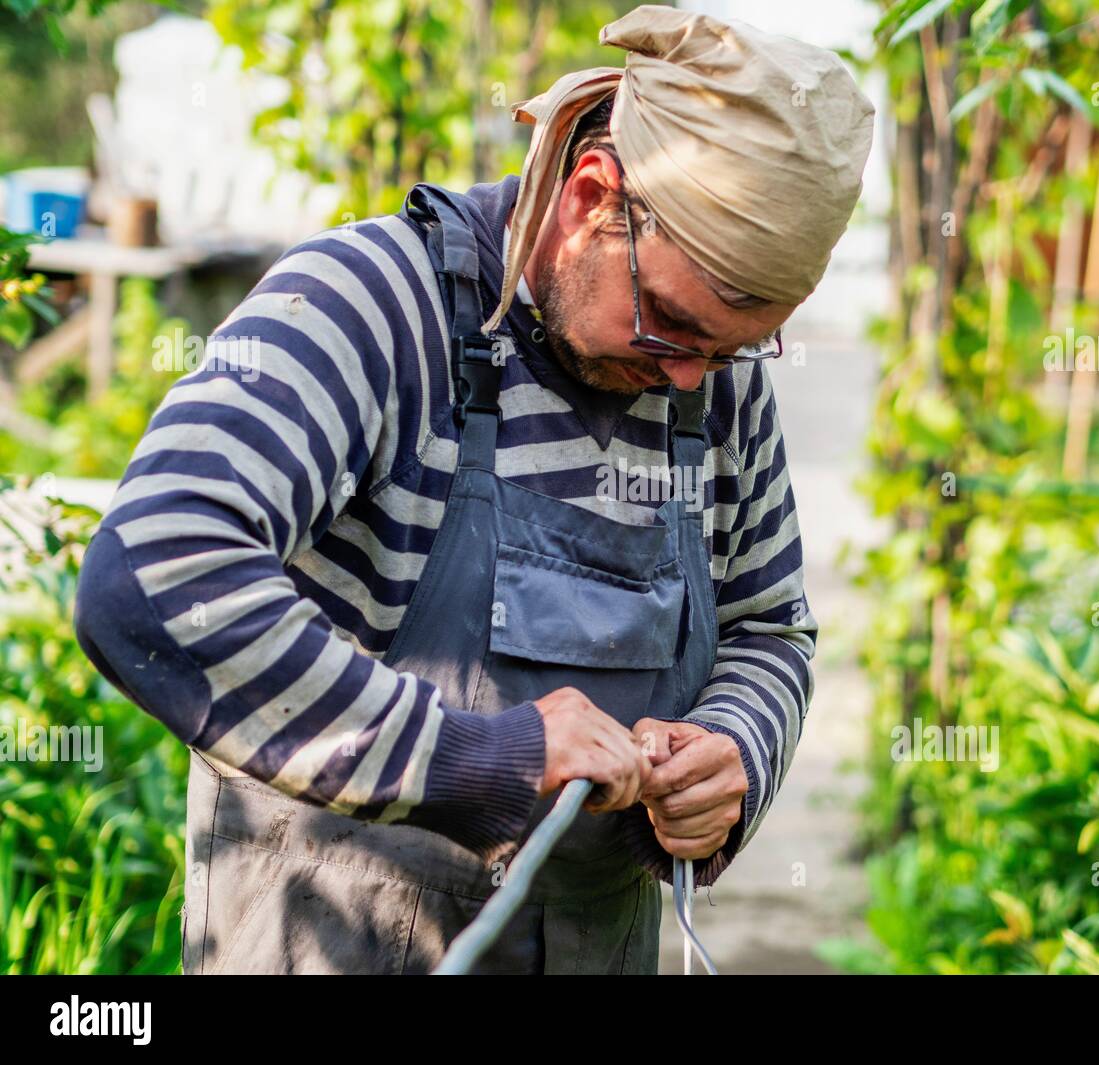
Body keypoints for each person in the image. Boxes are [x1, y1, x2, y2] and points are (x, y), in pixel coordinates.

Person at [73, 3, 875, 974]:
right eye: (668, 323)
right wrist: (484, 757)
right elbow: (152, 573)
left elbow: (767, 626)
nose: (689, 381)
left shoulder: (707, 378)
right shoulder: (374, 304)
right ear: (590, 197)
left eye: (736, 347)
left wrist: (734, 751)